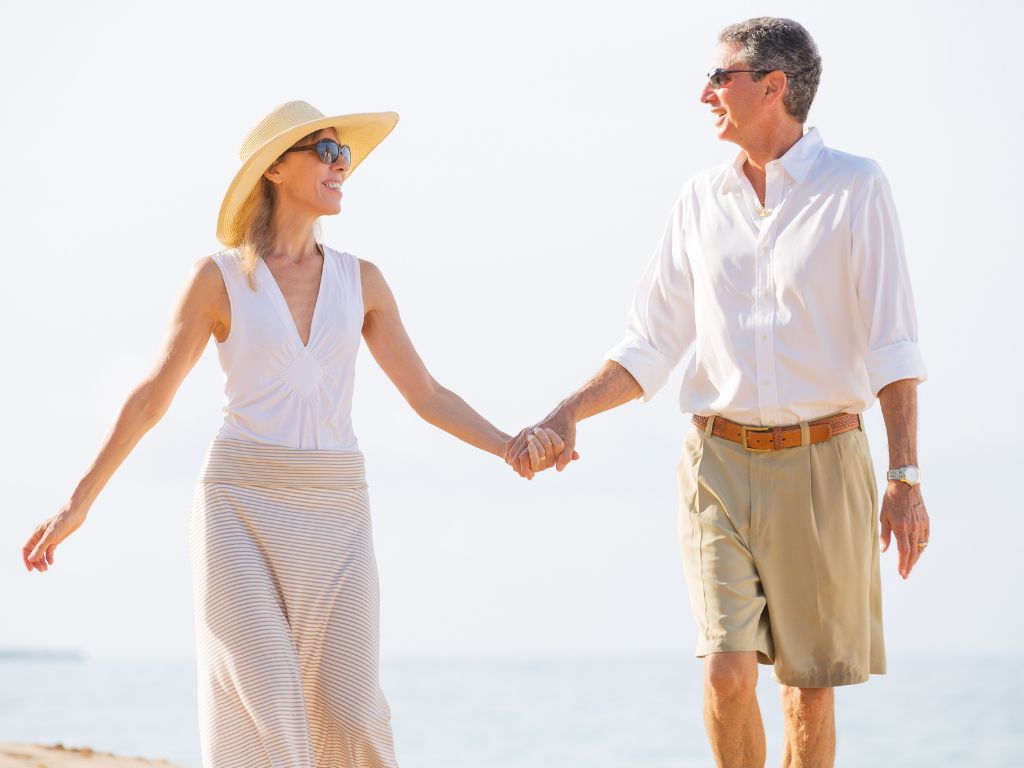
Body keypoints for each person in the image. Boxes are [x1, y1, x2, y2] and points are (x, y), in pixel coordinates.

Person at [21, 100, 568, 768]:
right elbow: (150, 397)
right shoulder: (219, 278)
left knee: (348, 714)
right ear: (276, 168)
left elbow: (425, 394)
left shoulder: (361, 281)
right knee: (270, 707)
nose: (343, 166)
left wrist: (510, 443)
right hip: (238, 507)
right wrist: (79, 502)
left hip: (336, 515)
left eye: (346, 156)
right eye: (327, 152)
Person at [506, 17, 929, 768]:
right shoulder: (700, 200)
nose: (705, 94)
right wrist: (563, 415)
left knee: (807, 693)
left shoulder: (856, 188)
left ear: (773, 88)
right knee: (727, 676)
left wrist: (904, 476)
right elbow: (650, 343)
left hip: (824, 462)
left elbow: (894, 344)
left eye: (720, 78)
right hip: (717, 465)